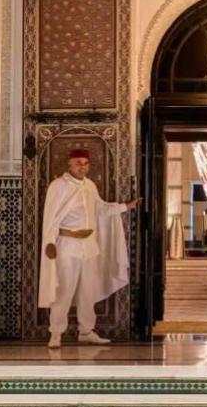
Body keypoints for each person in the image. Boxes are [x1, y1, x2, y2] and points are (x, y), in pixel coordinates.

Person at [38, 148, 141, 348]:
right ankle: (56, 333)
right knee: (64, 291)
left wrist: (125, 207)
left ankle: (86, 331)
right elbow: (51, 217)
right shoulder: (58, 186)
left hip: (89, 245)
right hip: (67, 246)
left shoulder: (90, 186)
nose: (82, 167)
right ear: (69, 164)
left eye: (85, 163)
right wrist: (50, 243)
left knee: (88, 290)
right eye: (78, 163)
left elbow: (101, 209)